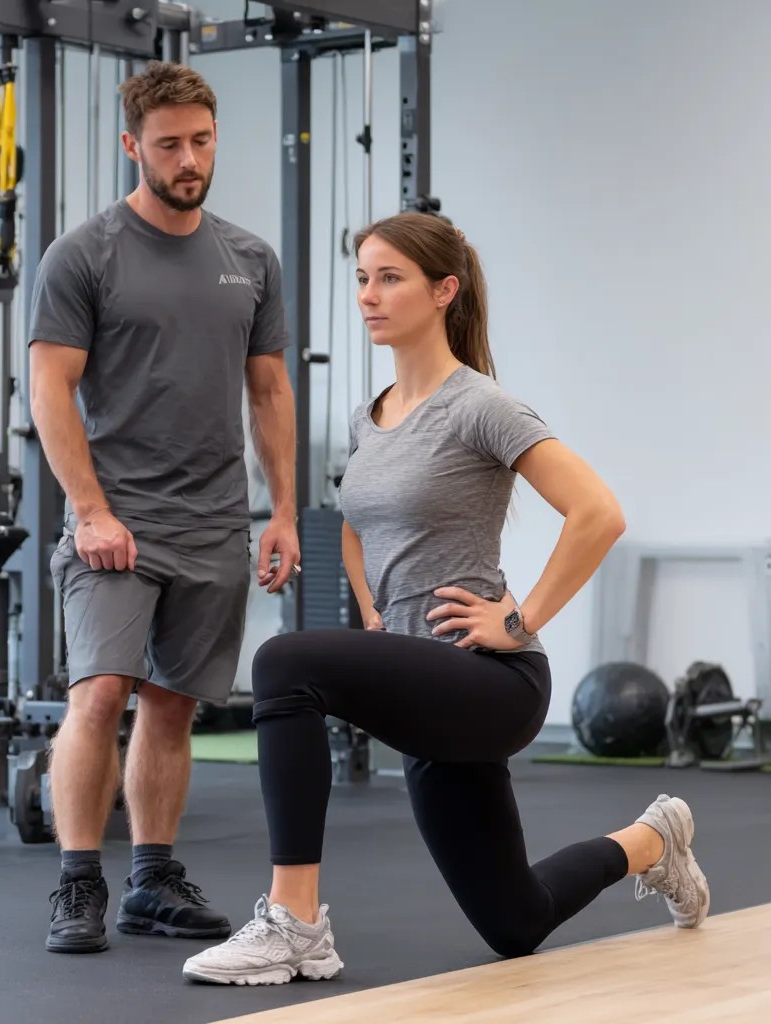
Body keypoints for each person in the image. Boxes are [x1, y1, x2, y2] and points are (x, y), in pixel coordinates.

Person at [180, 212, 710, 986]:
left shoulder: (480, 406)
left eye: (389, 278)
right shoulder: (371, 418)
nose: (368, 295)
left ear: (443, 291)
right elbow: (357, 526)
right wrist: (372, 618)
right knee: (515, 922)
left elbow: (599, 513)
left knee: (284, 661)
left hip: (488, 680)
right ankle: (654, 841)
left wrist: (518, 618)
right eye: (362, 277)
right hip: (424, 685)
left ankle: (295, 924)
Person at [28, 61, 299, 955]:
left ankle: (151, 879)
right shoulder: (84, 254)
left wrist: (285, 513)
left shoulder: (250, 258)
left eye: (202, 141)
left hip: (215, 519)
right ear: (132, 147)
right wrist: (90, 510)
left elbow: (268, 392)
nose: (189, 159)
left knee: (176, 705)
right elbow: (50, 391)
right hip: (116, 522)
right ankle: (77, 882)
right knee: (101, 691)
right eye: (170, 144)